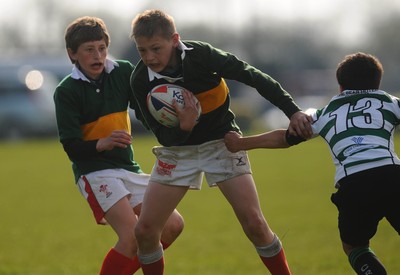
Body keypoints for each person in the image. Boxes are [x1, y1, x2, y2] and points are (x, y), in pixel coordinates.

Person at [129, 9, 313, 275]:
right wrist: (184, 127)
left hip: (223, 144)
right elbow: (159, 132)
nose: (149, 57)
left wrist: (292, 111)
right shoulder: (139, 80)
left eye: (155, 48)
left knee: (254, 223)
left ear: (175, 39)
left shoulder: (200, 55)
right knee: (145, 231)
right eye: (142, 50)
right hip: (177, 153)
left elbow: (250, 74)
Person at [224, 52, 400, 275]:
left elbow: (285, 138)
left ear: (340, 86)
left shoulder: (325, 113)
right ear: (378, 82)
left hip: (354, 182)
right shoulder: (389, 102)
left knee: (355, 247)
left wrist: (241, 143)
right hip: (393, 176)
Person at [53, 16, 184, 275]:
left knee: (172, 225)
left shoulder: (124, 71)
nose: (97, 55)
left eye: (102, 48)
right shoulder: (66, 91)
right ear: (72, 54)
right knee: (132, 238)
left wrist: (172, 121)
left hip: (127, 167)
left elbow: (144, 110)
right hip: (94, 171)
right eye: (89, 50)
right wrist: (102, 143)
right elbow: (71, 146)